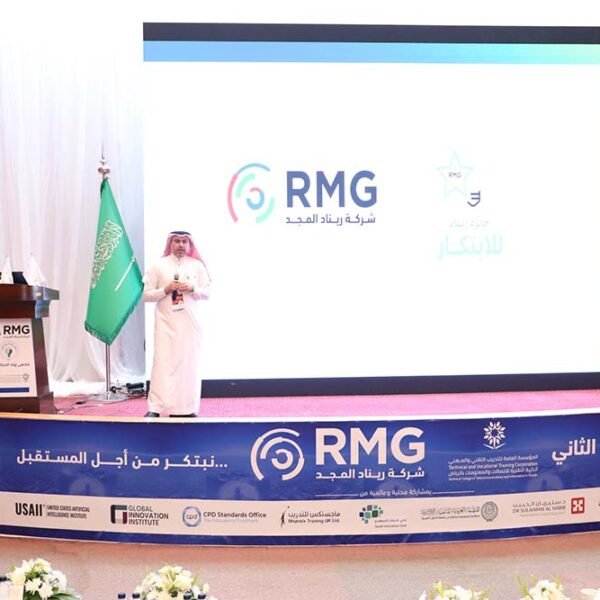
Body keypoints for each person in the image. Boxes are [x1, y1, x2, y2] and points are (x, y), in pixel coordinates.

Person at [142, 231, 211, 417]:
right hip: (166, 324)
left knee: (189, 365)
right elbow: (146, 295)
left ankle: (187, 409)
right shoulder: (158, 265)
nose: (181, 245)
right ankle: (156, 408)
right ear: (170, 243)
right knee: (162, 364)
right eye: (177, 241)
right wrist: (166, 289)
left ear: (189, 244)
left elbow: (207, 292)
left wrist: (192, 288)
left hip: (190, 326)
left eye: (184, 241)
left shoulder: (197, 266)